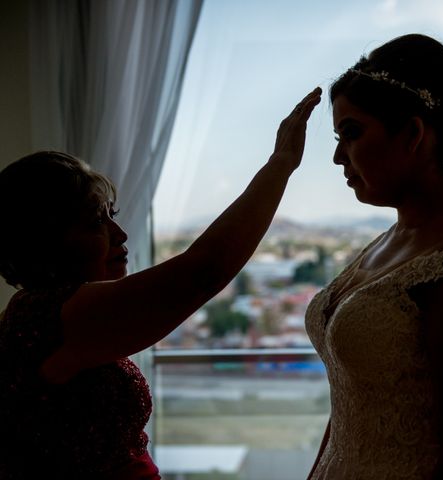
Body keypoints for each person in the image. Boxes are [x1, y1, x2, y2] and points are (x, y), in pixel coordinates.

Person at [0, 88, 321, 479]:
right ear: (45, 239)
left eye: (112, 215)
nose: (120, 234)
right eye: (96, 222)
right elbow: (203, 271)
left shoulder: (49, 316)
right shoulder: (44, 320)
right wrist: (281, 164)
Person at [304, 34, 443, 479]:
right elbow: (353, 400)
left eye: (351, 133)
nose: (337, 155)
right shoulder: (391, 239)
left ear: (414, 134)